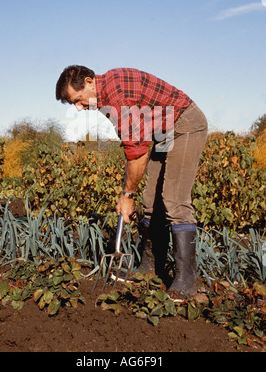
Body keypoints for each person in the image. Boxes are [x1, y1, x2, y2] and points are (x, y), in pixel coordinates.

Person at [56, 65, 208, 300]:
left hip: (185, 125)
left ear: (88, 81)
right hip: (163, 132)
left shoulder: (117, 96)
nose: (78, 107)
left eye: (77, 100)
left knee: (174, 200)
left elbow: (137, 154)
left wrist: (126, 196)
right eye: (73, 104)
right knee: (149, 201)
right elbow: (136, 147)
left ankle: (186, 282)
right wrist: (129, 193)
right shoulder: (105, 96)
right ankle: (149, 269)